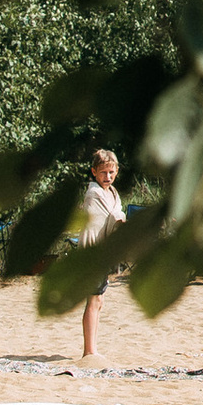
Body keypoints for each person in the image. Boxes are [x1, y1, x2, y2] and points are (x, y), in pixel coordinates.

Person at [79, 148, 126, 358]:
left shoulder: (113, 193)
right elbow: (112, 218)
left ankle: (92, 348)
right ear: (94, 172)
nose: (108, 177)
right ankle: (90, 351)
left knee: (99, 301)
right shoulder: (94, 194)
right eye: (103, 172)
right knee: (94, 300)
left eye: (111, 172)